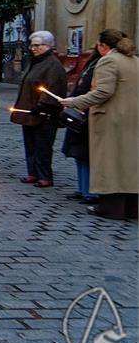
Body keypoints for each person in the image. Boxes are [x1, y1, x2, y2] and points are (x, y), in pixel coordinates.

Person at [62, 29, 139, 220]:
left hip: (110, 120)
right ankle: (131, 207)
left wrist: (75, 101)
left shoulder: (108, 60)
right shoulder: (134, 60)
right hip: (130, 119)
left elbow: (104, 91)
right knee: (128, 164)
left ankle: (110, 207)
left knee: (109, 163)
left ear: (103, 45)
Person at [10, 31, 67, 188]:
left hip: (44, 114)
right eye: (32, 45)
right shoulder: (34, 62)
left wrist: (42, 105)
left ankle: (45, 176)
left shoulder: (53, 65)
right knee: (30, 144)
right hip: (28, 111)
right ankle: (32, 172)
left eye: (37, 45)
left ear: (48, 46)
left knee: (43, 145)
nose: (33, 48)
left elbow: (53, 87)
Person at [61, 46, 102, 204]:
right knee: (78, 153)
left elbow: (96, 90)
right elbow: (80, 85)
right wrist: (71, 100)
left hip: (88, 112)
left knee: (85, 154)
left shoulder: (104, 63)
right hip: (78, 111)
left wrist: (78, 101)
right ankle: (82, 188)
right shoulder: (92, 62)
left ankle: (90, 192)